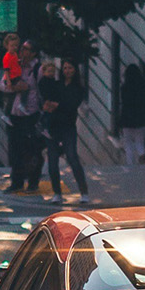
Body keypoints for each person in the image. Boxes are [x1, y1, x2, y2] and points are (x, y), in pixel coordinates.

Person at [41, 59, 89, 202]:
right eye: (65, 68)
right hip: (53, 127)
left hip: (68, 127)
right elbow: (46, 93)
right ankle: (57, 193)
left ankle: (84, 192)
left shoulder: (78, 88)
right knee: (53, 162)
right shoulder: (57, 85)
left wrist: (58, 105)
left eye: (70, 68)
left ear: (75, 70)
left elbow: (72, 104)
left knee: (73, 158)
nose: (67, 71)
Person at [1, 40, 42, 193]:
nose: (22, 52)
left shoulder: (38, 69)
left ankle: (33, 182)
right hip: (15, 114)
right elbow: (2, 84)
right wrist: (12, 87)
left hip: (31, 114)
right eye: (22, 49)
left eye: (26, 49)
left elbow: (43, 89)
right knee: (15, 149)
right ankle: (16, 182)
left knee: (32, 149)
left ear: (33, 53)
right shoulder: (14, 65)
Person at [118, 62, 145, 166]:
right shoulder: (144, 86)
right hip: (142, 118)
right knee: (140, 142)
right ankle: (143, 157)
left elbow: (124, 104)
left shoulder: (125, 87)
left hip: (127, 120)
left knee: (128, 143)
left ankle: (130, 165)